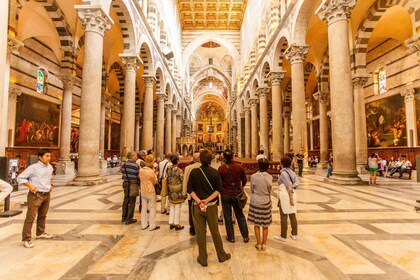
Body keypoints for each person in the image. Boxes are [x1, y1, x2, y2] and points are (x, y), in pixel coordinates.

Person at [187, 149, 231, 267]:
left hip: (197, 206)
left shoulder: (194, 172)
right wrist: (207, 200)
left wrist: (199, 201)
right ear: (211, 160)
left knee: (200, 233)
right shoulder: (214, 172)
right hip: (211, 206)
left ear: (200, 159)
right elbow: (218, 190)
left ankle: (202, 258)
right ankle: (221, 256)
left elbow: (189, 189)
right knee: (215, 231)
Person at [18, 149, 54, 248]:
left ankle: (40, 233)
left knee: (43, 215)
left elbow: (49, 177)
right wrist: (30, 186)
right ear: (40, 157)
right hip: (36, 194)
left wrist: (50, 185)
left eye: (49, 156)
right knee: (31, 217)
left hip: (46, 193)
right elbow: (20, 178)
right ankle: (26, 238)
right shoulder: (33, 168)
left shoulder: (50, 167)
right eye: (47, 156)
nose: (49, 158)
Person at [218, 149, 249, 243]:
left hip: (225, 195)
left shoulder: (221, 168)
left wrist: (223, 189)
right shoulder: (239, 167)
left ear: (223, 157)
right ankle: (245, 236)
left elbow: (219, 183)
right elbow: (244, 180)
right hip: (237, 194)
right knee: (240, 215)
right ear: (232, 156)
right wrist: (240, 188)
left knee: (227, 217)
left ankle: (231, 237)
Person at [248, 159, 273, 251]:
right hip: (265, 201)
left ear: (258, 165)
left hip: (256, 201)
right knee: (265, 225)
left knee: (257, 224)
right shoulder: (269, 177)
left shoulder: (253, 176)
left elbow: (251, 189)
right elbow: (270, 190)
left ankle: (258, 244)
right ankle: (264, 244)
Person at [274, 155, 299, 242]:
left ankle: (283, 236)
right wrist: (293, 186)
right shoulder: (292, 172)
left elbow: (288, 186)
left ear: (282, 163)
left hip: (286, 195)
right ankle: (294, 233)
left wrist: (290, 198)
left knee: (284, 216)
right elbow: (297, 183)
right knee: (292, 214)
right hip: (292, 193)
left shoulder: (284, 173)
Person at [139, 155, 160, 231]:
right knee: (152, 208)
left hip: (143, 191)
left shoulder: (140, 170)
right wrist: (156, 175)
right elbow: (154, 182)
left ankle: (144, 225)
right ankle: (152, 225)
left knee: (143, 208)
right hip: (150, 191)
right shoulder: (151, 171)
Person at [182, 152, 201, 236]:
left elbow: (185, 181)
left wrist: (184, 193)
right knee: (201, 211)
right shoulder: (203, 167)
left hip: (191, 193)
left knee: (191, 211)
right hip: (202, 194)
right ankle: (200, 227)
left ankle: (192, 228)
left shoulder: (188, 168)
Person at [166, 154, 185, 230]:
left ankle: (171, 222)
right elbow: (182, 180)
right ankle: (177, 224)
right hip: (177, 190)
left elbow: (167, 177)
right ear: (177, 161)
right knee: (177, 207)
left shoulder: (168, 168)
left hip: (170, 189)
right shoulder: (179, 171)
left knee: (172, 206)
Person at [121, 151, 139, 225]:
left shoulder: (124, 165)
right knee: (132, 202)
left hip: (125, 184)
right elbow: (138, 175)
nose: (136, 157)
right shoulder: (135, 165)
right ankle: (129, 219)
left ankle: (123, 217)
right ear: (132, 157)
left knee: (126, 200)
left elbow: (123, 173)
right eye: (135, 156)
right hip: (133, 184)